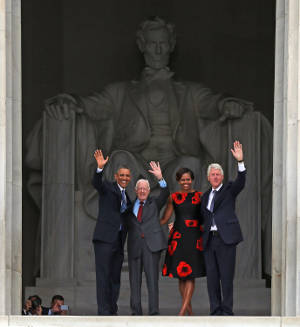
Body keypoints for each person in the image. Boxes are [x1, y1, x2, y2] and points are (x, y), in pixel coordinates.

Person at [201, 140, 246, 316]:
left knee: (226, 277)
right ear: (208, 177)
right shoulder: (205, 197)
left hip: (225, 239)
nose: (216, 176)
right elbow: (201, 218)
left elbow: (241, 182)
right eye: (213, 174)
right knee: (212, 279)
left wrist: (240, 162)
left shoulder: (229, 189)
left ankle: (226, 311)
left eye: (218, 174)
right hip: (209, 240)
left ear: (222, 176)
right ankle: (215, 310)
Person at [125, 161, 169, 315]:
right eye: (140, 189)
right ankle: (136, 313)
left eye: (145, 188)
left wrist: (160, 178)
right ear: (136, 190)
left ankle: (154, 313)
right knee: (134, 282)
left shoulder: (154, 203)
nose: (142, 191)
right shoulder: (129, 207)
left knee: (152, 282)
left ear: (149, 191)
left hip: (152, 246)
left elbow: (165, 193)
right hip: (135, 247)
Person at [160, 167, 206, 316]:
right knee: (181, 274)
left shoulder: (200, 196)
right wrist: (147, 222)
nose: (186, 182)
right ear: (178, 181)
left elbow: (206, 217)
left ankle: (181, 313)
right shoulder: (173, 197)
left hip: (194, 237)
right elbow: (165, 219)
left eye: (188, 179)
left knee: (190, 274)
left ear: (192, 180)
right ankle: (190, 313)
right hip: (178, 237)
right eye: (183, 179)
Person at [92, 149, 132, 315]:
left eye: (127, 176)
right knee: (103, 276)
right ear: (116, 176)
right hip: (104, 239)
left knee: (115, 277)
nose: (124, 178)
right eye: (121, 175)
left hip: (118, 241)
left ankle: (112, 310)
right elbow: (97, 183)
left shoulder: (128, 197)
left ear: (129, 179)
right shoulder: (107, 187)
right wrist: (99, 169)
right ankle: (103, 312)